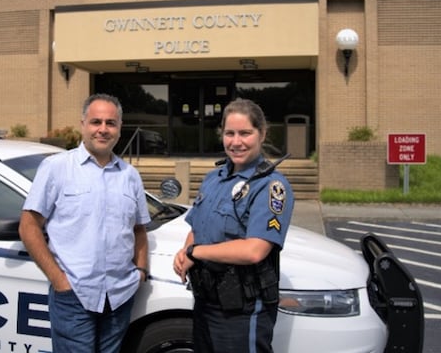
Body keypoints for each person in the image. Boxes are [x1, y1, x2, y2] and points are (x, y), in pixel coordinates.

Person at [19, 93, 150, 353]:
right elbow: (28, 226)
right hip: (74, 296)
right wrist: (59, 281)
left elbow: (138, 229)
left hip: (120, 296)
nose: (103, 129)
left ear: (119, 128)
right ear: (83, 124)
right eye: (96, 122)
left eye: (110, 123)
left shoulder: (130, 176)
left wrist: (141, 271)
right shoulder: (56, 167)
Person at [172, 98, 295, 353]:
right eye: (230, 133)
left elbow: (254, 250)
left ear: (262, 133)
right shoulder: (213, 178)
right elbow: (197, 227)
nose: (236, 142)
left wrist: (195, 252)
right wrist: (185, 253)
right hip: (205, 302)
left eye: (245, 133)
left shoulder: (271, 186)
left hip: (242, 311)